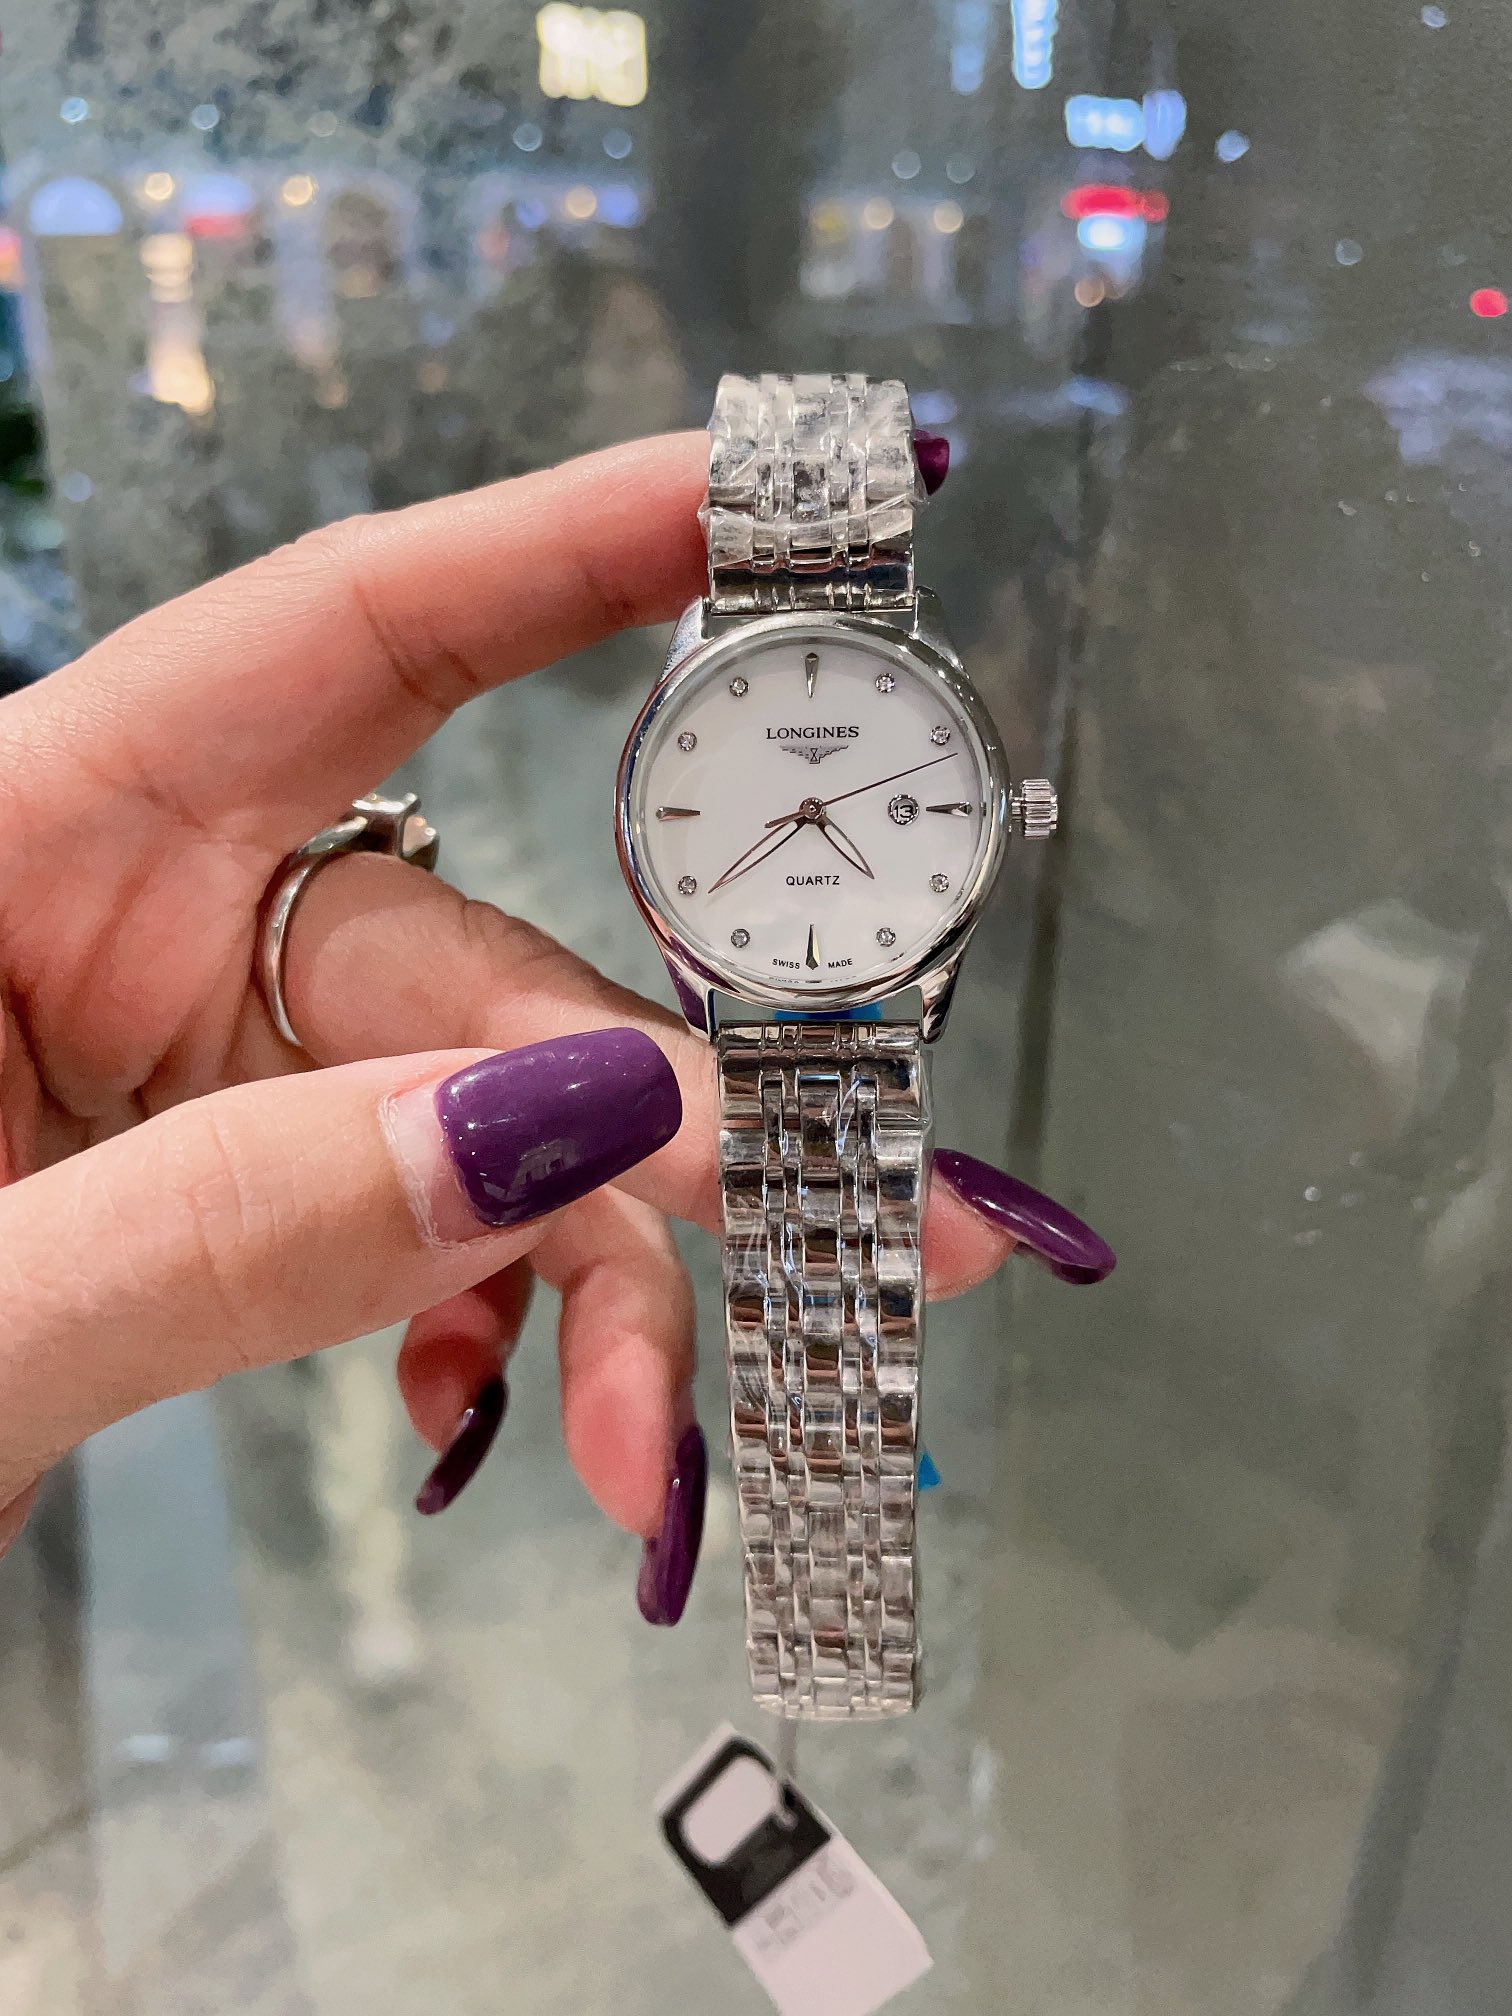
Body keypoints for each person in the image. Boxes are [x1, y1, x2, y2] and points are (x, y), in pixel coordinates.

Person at [0, 430, 1113, 1622]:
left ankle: (837, 1602)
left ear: (1011, 811)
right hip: (764, 982)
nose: (803, 813)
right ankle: (833, 1604)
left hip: (868, 980)